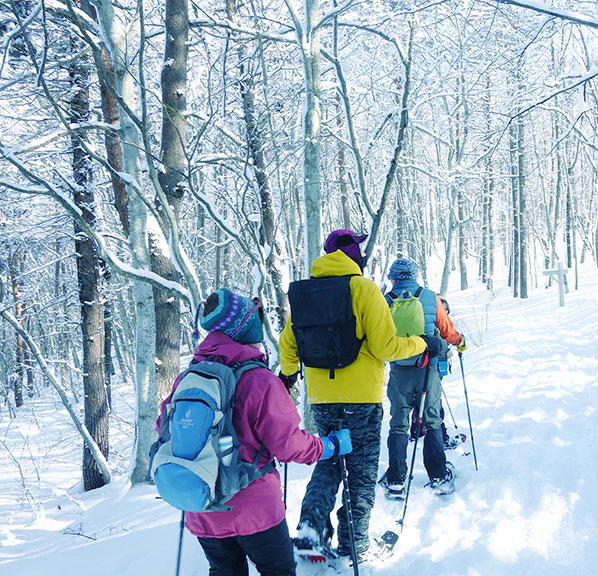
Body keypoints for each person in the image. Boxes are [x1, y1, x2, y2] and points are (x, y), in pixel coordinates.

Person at [157, 288, 351, 576]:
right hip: (255, 511)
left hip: (202, 502)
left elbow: (165, 429)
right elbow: (289, 446)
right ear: (244, 328)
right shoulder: (259, 379)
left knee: (224, 571)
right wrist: (329, 446)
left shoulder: (189, 377)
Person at [278, 230, 435, 561]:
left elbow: (288, 345)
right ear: (353, 255)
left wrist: (289, 374)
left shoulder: (304, 293)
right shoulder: (364, 289)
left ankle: (311, 530)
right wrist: (422, 342)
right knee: (361, 473)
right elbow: (385, 347)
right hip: (362, 398)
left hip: (321, 398)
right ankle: (355, 546)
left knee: (329, 459)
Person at [380, 258, 467, 498]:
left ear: (393, 278)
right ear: (414, 276)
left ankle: (396, 479)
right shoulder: (429, 296)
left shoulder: (385, 300)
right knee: (432, 422)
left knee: (398, 424)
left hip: (399, 370)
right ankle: (438, 476)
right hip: (427, 369)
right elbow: (446, 328)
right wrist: (459, 342)